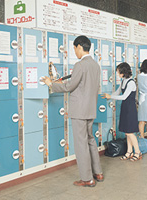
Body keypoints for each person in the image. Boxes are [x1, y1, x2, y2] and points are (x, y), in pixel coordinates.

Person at [41, 35, 103, 187]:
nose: (74, 52)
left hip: (79, 111)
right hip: (90, 109)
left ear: (80, 47)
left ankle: (87, 179)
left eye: (74, 48)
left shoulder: (80, 65)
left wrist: (51, 84)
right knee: (90, 140)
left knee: (81, 144)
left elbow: (70, 87)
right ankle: (98, 173)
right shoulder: (95, 65)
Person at [103, 63, 142, 161]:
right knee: (126, 132)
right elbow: (117, 92)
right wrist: (107, 98)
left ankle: (138, 152)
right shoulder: (123, 81)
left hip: (130, 109)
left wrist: (110, 97)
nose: (117, 73)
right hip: (124, 108)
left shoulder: (131, 82)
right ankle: (129, 152)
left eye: (118, 71)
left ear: (123, 72)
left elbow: (124, 96)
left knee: (130, 132)